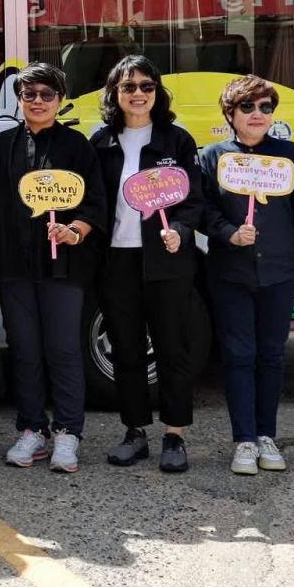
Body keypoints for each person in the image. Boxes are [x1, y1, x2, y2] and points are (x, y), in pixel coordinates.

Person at [90, 56, 205, 473]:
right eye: (128, 87)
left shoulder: (177, 141)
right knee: (126, 349)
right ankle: (134, 431)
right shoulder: (101, 142)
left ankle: (174, 435)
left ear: (157, 92)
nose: (138, 94)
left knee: (172, 347)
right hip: (117, 258)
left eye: (146, 86)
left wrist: (181, 230)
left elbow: (194, 200)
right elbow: (92, 201)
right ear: (114, 93)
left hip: (166, 258)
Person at [0, 63, 106, 474]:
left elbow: (95, 203)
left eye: (46, 94)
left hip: (64, 264)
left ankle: (69, 431)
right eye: (29, 94)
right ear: (19, 100)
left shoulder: (77, 145)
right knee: (24, 349)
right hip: (12, 264)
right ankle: (32, 429)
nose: (37, 101)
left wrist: (75, 230)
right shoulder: (2, 144)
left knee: (63, 348)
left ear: (60, 99)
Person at [198, 76, 294, 476]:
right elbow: (202, 209)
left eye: (266, 107)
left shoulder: (289, 155)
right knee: (238, 355)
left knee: (271, 355)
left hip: (281, 272)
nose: (257, 115)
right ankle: (244, 439)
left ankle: (267, 434)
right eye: (248, 107)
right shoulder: (213, 156)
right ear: (230, 113)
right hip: (230, 273)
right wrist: (228, 233)